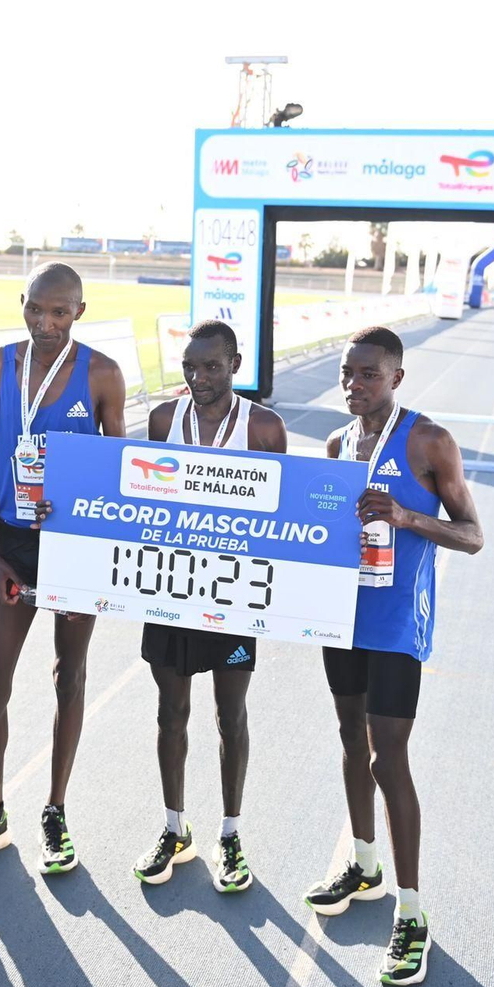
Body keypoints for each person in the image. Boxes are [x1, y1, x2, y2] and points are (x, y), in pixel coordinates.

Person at [301, 325, 483, 987]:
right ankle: (364, 864)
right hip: (343, 617)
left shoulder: (428, 440)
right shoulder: (334, 444)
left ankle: (411, 913)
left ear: (397, 378)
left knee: (388, 758)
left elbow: (473, 535)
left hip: (398, 623)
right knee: (351, 741)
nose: (354, 384)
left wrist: (408, 517)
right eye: (348, 373)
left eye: (368, 374)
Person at [0, 262, 126, 875]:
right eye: (36, 310)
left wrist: (82, 532)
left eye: (60, 312)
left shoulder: (101, 373)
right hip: (11, 548)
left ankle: (56, 811)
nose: (46, 323)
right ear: (22, 303)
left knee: (69, 679)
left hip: (74, 550)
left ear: (79, 312)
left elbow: (116, 474)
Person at [130, 320, 288, 892]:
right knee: (170, 713)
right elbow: (136, 497)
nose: (199, 378)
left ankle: (230, 834)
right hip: (170, 589)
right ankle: (175, 828)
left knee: (231, 715)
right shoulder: (163, 421)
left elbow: (287, 514)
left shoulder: (264, 426)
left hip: (235, 596)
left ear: (235, 365)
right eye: (190, 367)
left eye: (212, 367)